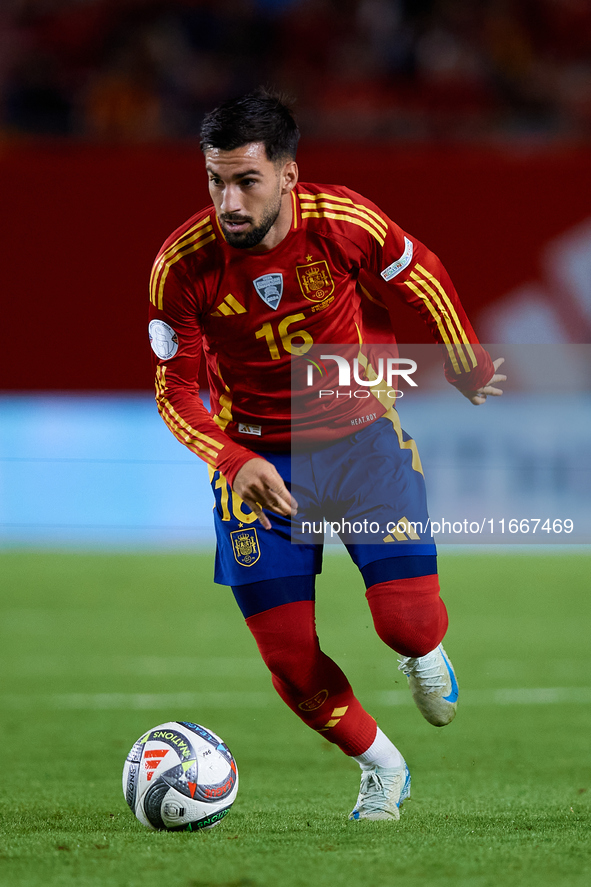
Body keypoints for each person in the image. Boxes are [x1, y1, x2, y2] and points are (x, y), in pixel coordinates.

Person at [148, 89, 505, 822]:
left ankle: (421, 650)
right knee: (286, 655)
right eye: (215, 180)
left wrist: (467, 366)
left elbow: (424, 273)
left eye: (246, 180)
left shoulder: (341, 221)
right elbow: (172, 388)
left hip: (359, 442)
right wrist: (229, 458)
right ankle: (382, 767)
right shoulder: (181, 266)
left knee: (406, 624)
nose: (228, 200)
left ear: (288, 174)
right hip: (256, 467)